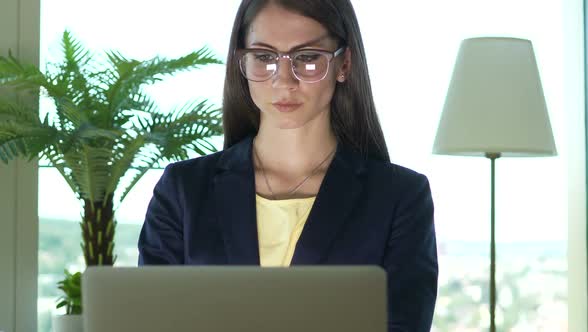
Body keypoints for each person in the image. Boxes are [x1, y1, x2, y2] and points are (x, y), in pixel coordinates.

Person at [138, 0, 438, 331]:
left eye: (307, 58)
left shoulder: (400, 197)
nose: (284, 81)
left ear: (344, 64)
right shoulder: (183, 190)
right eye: (264, 57)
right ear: (242, 61)